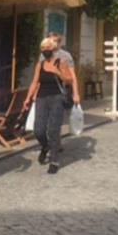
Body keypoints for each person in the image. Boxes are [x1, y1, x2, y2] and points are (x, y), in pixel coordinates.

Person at [24, 38, 76, 174]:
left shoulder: (61, 62)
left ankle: (54, 160)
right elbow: (34, 82)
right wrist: (28, 98)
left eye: (48, 47)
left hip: (57, 98)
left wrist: (57, 71)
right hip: (41, 98)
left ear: (53, 48)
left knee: (53, 129)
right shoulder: (40, 65)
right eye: (43, 48)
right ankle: (45, 146)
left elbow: (69, 80)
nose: (46, 49)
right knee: (38, 130)